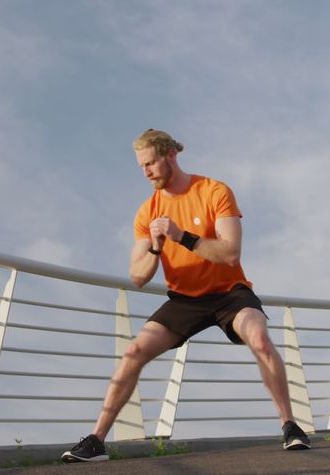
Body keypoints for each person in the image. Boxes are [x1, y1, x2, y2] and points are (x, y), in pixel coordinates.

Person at [62, 129, 310, 463]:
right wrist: (155, 247)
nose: (146, 172)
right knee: (134, 351)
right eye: (141, 166)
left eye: (151, 163)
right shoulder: (147, 212)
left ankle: (290, 426)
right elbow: (138, 277)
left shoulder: (214, 191)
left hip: (230, 293)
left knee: (260, 339)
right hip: (185, 299)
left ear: (171, 155)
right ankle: (96, 440)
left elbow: (231, 254)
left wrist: (182, 237)